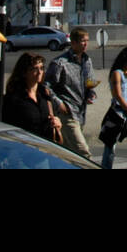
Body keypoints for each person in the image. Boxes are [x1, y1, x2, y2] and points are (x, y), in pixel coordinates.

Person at [45, 28, 96, 159]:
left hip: (81, 111)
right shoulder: (60, 63)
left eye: (87, 41)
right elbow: (46, 87)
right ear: (73, 43)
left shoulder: (87, 60)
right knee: (83, 152)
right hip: (67, 112)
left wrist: (91, 93)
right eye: (82, 41)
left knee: (68, 154)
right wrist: (59, 104)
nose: (85, 44)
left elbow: (90, 81)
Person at [1, 52, 62, 143]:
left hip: (46, 148)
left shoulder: (44, 93)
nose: (40, 72)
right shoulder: (14, 98)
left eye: (41, 68)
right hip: (25, 149)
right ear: (24, 72)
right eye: (35, 69)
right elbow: (7, 128)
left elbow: (53, 115)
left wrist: (57, 122)